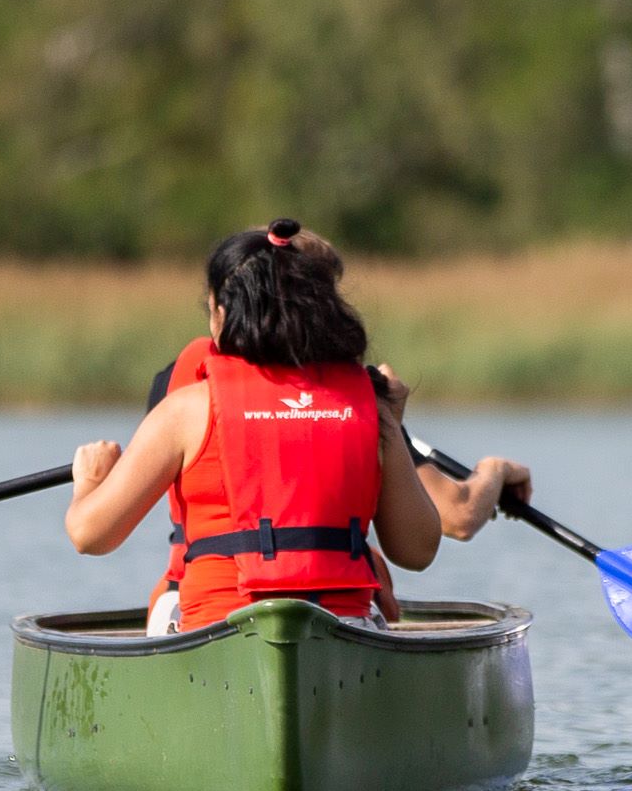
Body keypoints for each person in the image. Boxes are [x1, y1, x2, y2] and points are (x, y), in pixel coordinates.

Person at [66, 219, 458, 633]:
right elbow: (417, 550)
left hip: (216, 626)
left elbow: (91, 536)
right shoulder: (370, 406)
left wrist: (89, 482)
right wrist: (389, 428)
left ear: (222, 312)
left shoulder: (185, 410)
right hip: (342, 624)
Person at [135, 231, 533, 627]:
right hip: (325, 608)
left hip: (198, 603)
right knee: (373, 573)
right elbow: (457, 514)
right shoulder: (352, 400)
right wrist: (492, 471)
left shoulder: (180, 387)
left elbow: (92, 531)